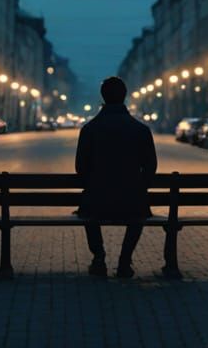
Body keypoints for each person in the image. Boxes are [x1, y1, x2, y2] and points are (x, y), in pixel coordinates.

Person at [75, 76, 157, 278]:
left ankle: (99, 257)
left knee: (88, 209)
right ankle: (124, 261)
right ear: (125, 96)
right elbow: (151, 167)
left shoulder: (89, 129)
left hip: (96, 200)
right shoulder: (141, 130)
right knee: (138, 213)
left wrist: (94, 184)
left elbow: (80, 168)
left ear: (103, 96)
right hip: (133, 201)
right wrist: (138, 186)